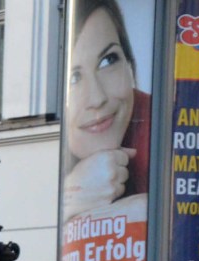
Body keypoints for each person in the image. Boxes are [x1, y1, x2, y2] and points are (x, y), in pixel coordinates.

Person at [61, 0, 149, 222]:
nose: (97, 98)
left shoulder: (165, 126)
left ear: (129, 63)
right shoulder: (43, 160)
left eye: (107, 61)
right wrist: (72, 197)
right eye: (74, 78)